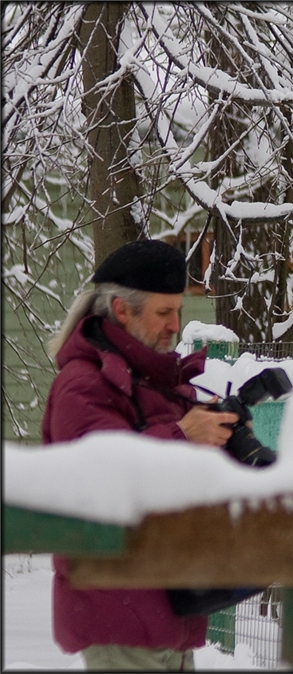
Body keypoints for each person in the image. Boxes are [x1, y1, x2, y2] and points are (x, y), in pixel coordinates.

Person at [42, 239, 240, 672]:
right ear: (122, 309)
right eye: (163, 312)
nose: (175, 325)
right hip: (118, 611)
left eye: (178, 311)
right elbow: (97, 476)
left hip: (168, 606)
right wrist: (183, 435)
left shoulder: (157, 380)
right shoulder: (82, 385)